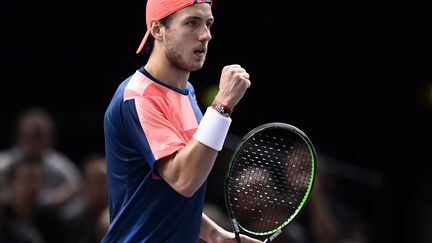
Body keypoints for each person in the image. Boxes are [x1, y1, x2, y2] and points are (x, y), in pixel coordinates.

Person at [101, 0, 261, 242]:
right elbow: (183, 180)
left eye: (208, 24)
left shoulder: (187, 92)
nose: (205, 35)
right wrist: (222, 105)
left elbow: (166, 195)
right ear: (157, 30)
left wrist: (215, 235)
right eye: (191, 23)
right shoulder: (138, 97)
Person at [0, 107, 82, 217]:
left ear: (51, 139)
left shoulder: (61, 166)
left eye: (40, 137)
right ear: (18, 137)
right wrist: (48, 199)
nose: (35, 142)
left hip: (51, 220)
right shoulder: (3, 163)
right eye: (31, 136)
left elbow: (77, 190)